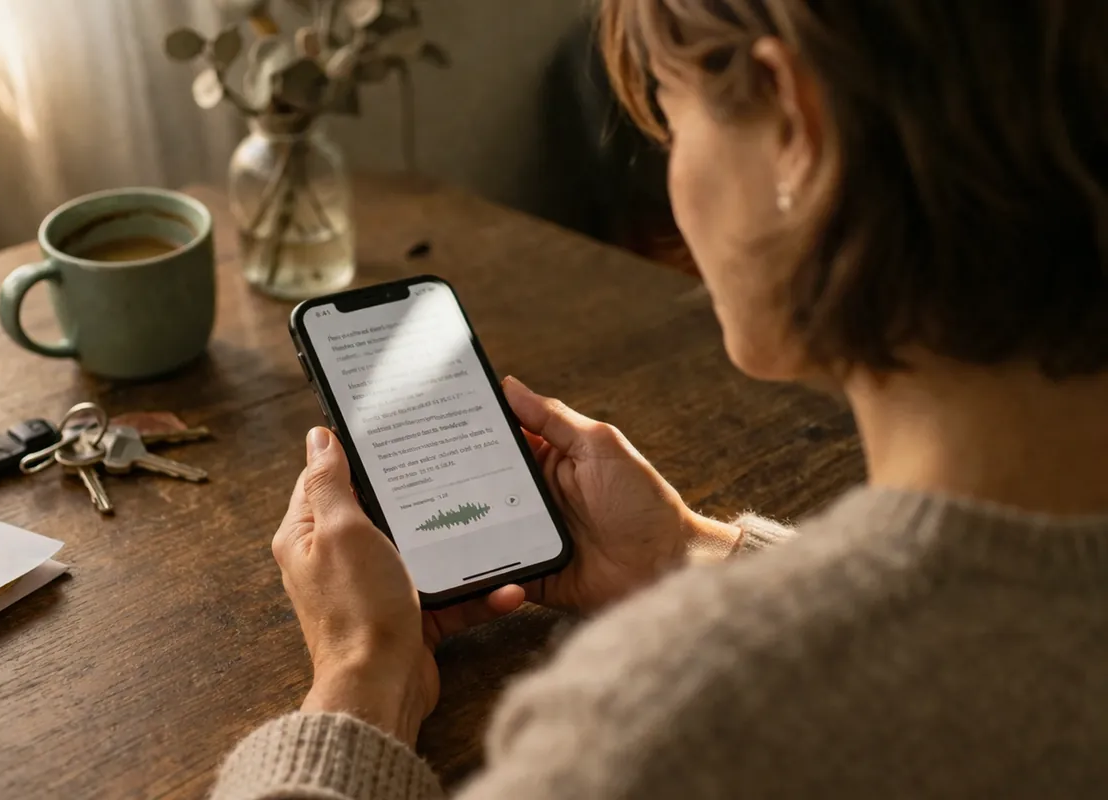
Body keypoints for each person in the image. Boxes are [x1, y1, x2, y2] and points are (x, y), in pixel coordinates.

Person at [211, 1, 1108, 797]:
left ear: (795, 123)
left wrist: (360, 677)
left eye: (669, 121)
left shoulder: (662, 724)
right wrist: (690, 552)